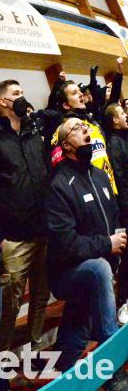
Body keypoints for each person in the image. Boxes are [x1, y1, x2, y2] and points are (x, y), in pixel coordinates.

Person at [0, 80, 49, 388]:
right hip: (14, 237)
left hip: (44, 229)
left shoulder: (33, 132)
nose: (22, 98)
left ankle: (33, 351)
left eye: (21, 92)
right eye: (16, 94)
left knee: (41, 297)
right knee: (9, 304)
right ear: (3, 102)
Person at [46, 117, 125, 371]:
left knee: (79, 319)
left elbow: (113, 221)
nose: (84, 130)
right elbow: (66, 244)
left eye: (85, 126)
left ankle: (62, 365)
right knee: (98, 270)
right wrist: (107, 244)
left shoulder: (100, 175)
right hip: (67, 271)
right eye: (76, 129)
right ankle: (113, 365)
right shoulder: (58, 184)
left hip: (102, 260)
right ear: (66, 145)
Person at [48, 78, 117, 195]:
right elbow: (62, 172)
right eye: (74, 93)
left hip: (110, 191)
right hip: (88, 196)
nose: (81, 94)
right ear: (66, 105)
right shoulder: (62, 132)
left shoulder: (93, 125)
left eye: (80, 91)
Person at [105, 102, 128, 322]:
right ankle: (123, 303)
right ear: (114, 120)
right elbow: (120, 179)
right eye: (122, 113)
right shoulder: (114, 143)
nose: (126, 115)